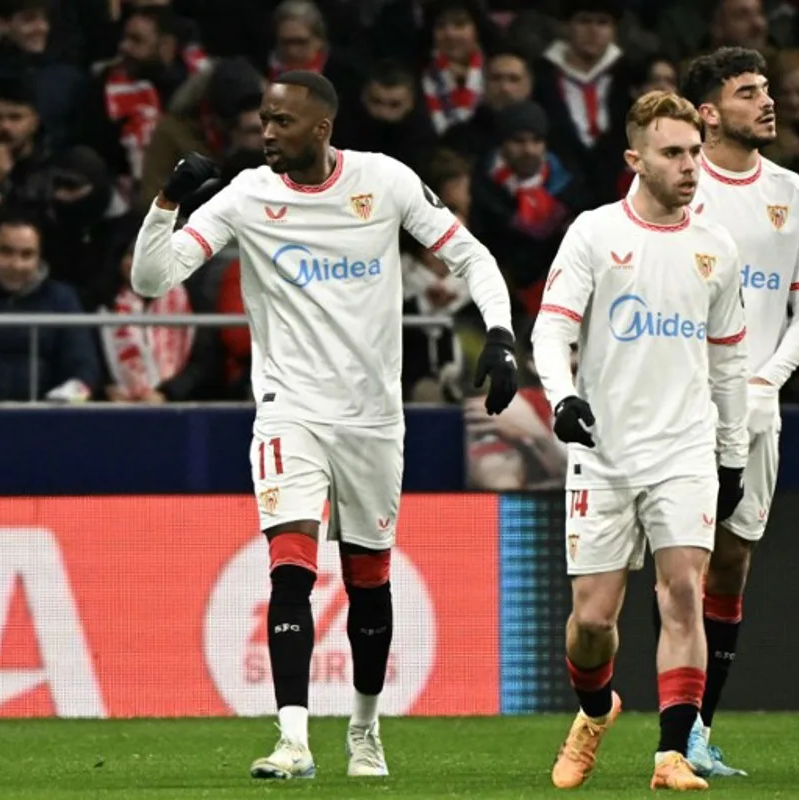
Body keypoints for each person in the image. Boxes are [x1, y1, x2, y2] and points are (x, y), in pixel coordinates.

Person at [130, 70, 518, 780]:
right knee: (290, 570)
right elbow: (153, 280)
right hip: (290, 409)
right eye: (263, 119)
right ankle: (293, 740)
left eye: (280, 122)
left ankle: (365, 733)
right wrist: (166, 202)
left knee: (369, 578)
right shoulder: (248, 194)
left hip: (373, 416)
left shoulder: (385, 182)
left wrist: (499, 333)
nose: (266, 132)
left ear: (321, 129)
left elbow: (470, 254)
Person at [532, 89, 749, 792]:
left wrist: (734, 452)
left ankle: (671, 755)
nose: (691, 166)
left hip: (685, 448)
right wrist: (562, 397)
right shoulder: (595, 234)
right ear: (635, 158)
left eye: (695, 152)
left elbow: (729, 361)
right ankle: (597, 710)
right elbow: (551, 328)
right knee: (592, 622)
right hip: (605, 451)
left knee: (682, 590)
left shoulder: (717, 248)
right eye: (674, 153)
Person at [629, 46, 799, 778]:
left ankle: (698, 731)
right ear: (709, 112)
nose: (767, 101)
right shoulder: (676, 183)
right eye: (749, 92)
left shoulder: (795, 196)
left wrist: (765, 380)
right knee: (682, 566)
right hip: (675, 408)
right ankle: (671, 731)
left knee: (731, 566)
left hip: (756, 409)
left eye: (768, 88)